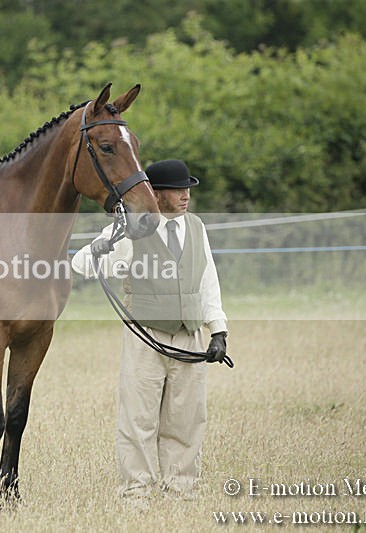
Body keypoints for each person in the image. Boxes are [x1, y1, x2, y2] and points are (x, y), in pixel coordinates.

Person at [71, 159, 227, 501]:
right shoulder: (131, 229)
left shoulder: (197, 227)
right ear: (156, 195)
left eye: (188, 188)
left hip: (190, 337)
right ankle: (136, 493)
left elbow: (207, 281)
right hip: (146, 337)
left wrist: (218, 331)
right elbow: (81, 264)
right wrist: (100, 247)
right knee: (138, 420)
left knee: (187, 419)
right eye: (178, 190)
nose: (186, 195)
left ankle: (181, 491)